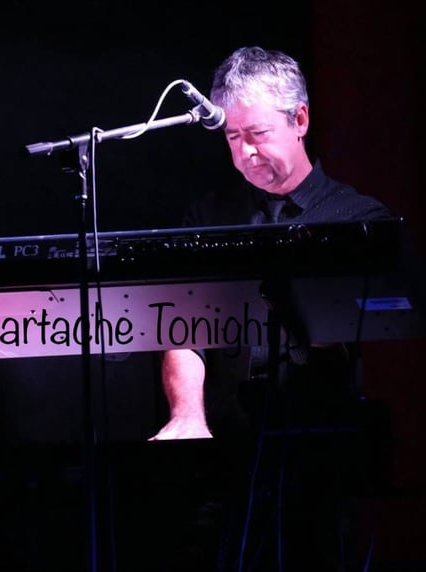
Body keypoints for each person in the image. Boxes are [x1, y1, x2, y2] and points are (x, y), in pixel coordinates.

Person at [148, 46, 394, 442]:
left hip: (323, 439)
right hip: (225, 434)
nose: (245, 151)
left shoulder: (358, 219)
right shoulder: (208, 217)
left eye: (258, 134)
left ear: (300, 120)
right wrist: (188, 416)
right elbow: (182, 330)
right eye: (233, 136)